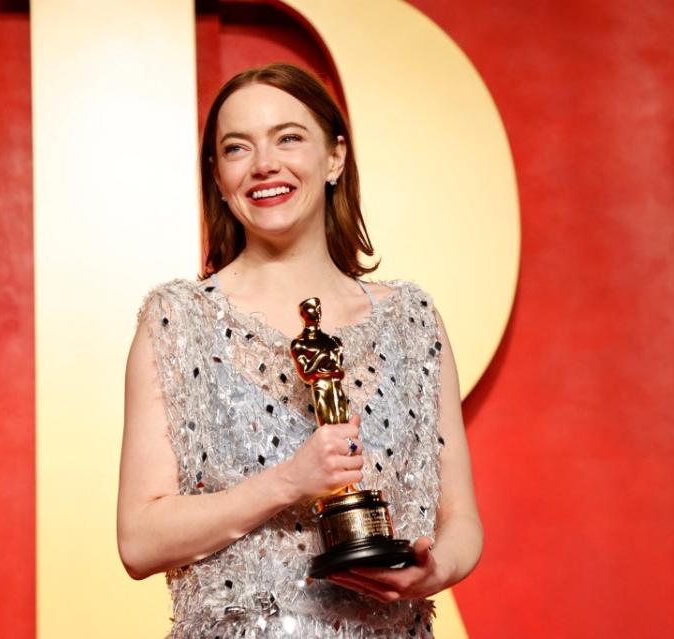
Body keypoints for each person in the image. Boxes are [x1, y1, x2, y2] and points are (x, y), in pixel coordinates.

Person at [117, 63, 482, 638]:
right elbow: (139, 541)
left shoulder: (413, 320)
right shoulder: (175, 320)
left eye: (289, 137)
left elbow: (460, 520)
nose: (265, 164)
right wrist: (288, 481)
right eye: (237, 147)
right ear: (218, 176)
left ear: (335, 156)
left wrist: (434, 570)